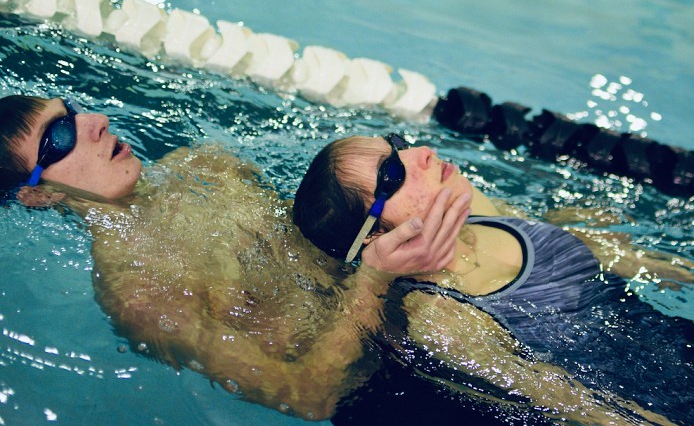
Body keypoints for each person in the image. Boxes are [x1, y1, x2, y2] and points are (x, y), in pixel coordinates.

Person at [292, 133, 694, 425]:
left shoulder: (477, 208)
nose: (423, 151)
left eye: (396, 142)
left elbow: (610, 254)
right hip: (653, 410)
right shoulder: (442, 315)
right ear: (378, 235)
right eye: (394, 171)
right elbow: (571, 402)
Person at [0, 95, 469, 421]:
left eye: (73, 112)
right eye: (60, 136)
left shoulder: (205, 165)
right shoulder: (140, 296)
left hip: (420, 296)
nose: (95, 120)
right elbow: (309, 396)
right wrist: (373, 280)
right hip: (398, 390)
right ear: (36, 196)